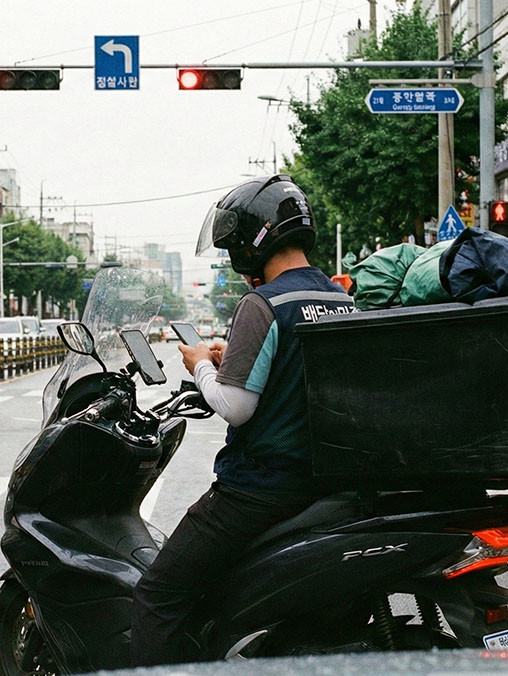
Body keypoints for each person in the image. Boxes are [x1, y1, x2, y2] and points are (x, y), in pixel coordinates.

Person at [131, 175, 355, 665]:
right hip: (327, 483)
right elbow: (305, 374)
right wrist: (236, 357)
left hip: (260, 489)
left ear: (258, 237)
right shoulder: (340, 299)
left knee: (159, 595)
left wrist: (202, 366)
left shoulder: (263, 303)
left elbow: (235, 407)